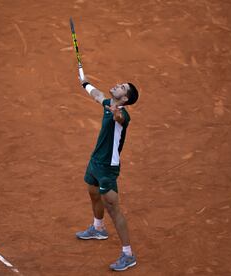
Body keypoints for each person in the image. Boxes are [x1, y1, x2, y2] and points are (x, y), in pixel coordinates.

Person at [75, 76, 139, 271]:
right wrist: (85, 83)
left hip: (107, 170)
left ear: (125, 99)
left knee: (113, 208)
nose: (117, 85)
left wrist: (115, 112)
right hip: (95, 161)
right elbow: (97, 95)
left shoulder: (122, 115)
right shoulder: (108, 103)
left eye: (122, 87)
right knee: (93, 194)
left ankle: (128, 255)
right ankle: (98, 228)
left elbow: (119, 118)